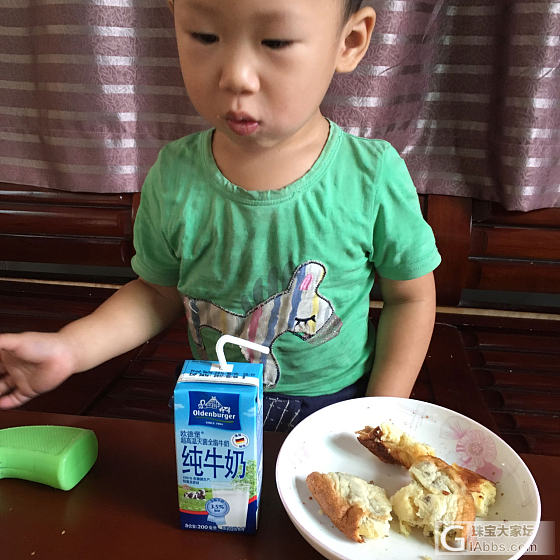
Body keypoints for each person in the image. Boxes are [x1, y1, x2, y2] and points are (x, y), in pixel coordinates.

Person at [0, 0, 441, 431]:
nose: (236, 77)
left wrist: (382, 409)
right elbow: (157, 292)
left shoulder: (371, 176)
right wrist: (70, 349)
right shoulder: (174, 174)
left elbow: (411, 297)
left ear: (349, 41)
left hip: (337, 406)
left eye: (276, 40)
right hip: (213, 404)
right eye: (205, 36)